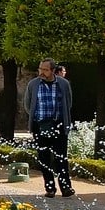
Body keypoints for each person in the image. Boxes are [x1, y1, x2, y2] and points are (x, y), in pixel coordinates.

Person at [23, 57, 75, 198]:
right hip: (40, 125)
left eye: (45, 69)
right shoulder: (33, 84)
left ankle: (66, 188)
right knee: (44, 159)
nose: (41, 72)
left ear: (53, 70)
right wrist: (37, 118)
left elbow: (68, 104)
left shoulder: (63, 84)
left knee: (61, 158)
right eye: (40, 68)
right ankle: (50, 188)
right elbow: (28, 104)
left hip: (58, 125)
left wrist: (60, 120)